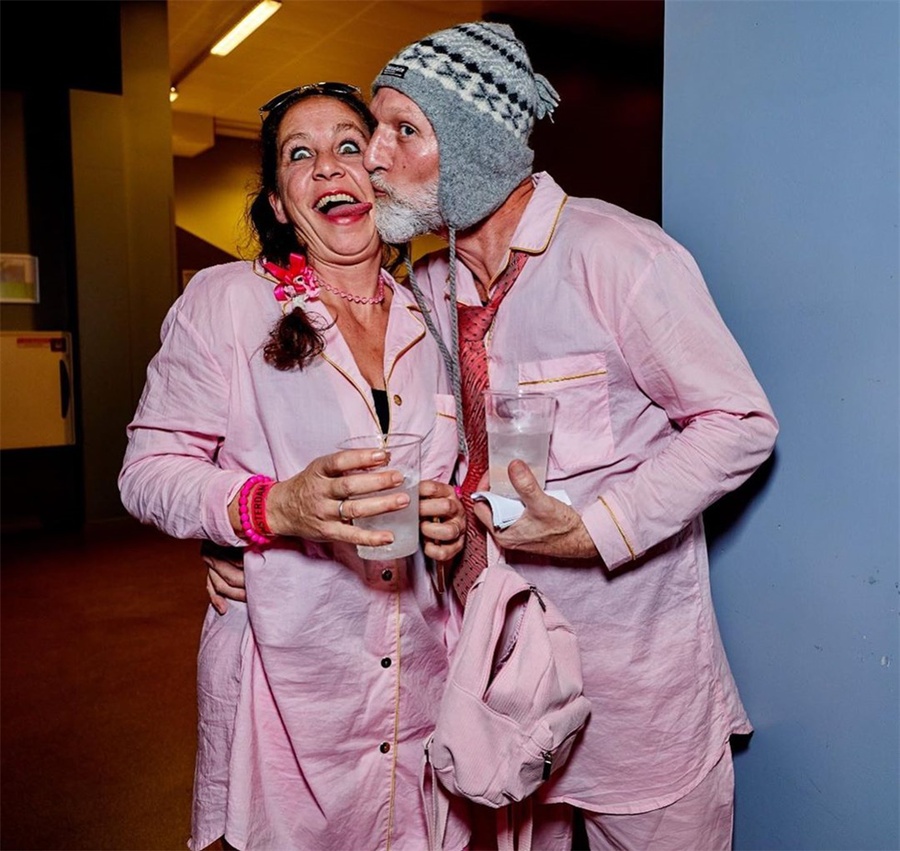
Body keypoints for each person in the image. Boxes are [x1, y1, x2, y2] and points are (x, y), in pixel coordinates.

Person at [360, 21, 780, 851]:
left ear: (475, 147)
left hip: (632, 682)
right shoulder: (429, 281)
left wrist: (595, 528)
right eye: (377, 128)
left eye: (404, 129)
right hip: (498, 675)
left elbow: (739, 421)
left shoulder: (618, 255)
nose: (374, 156)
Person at [118, 82, 469, 851]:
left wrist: (457, 519)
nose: (329, 167)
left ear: (381, 170)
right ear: (280, 203)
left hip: (424, 676)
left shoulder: (438, 312)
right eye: (299, 155)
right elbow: (147, 470)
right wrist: (270, 509)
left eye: (349, 146)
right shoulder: (227, 303)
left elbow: (467, 473)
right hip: (288, 691)